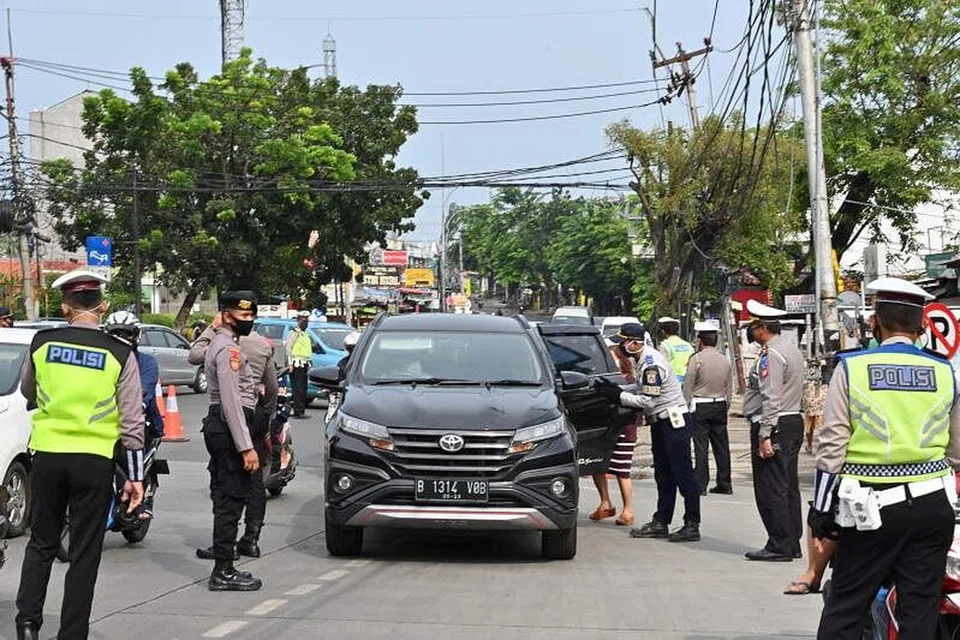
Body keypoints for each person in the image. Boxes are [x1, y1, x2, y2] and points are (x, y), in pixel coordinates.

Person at [811, 278, 960, 637]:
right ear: (922, 325)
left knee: (846, 606)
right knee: (919, 613)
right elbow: (956, 450)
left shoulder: (852, 367)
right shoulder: (945, 371)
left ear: (874, 322)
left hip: (870, 510)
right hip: (933, 507)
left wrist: (821, 511)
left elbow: (832, 446)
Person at [15, 269, 145, 640]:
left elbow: (29, 391)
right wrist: (135, 478)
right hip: (94, 460)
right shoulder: (120, 352)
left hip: (49, 455)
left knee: (41, 542)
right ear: (102, 307)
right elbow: (133, 422)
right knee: (85, 552)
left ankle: (27, 623)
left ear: (65, 307)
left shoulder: (42, 343)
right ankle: (71, 633)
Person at [594, 322, 701, 542]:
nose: (619, 348)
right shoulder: (643, 360)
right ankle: (661, 521)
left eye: (622, 343)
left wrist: (617, 396)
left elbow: (648, 401)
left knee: (683, 475)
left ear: (635, 344)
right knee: (664, 475)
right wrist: (617, 388)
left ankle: (692, 524)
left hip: (673, 423)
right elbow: (641, 388)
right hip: (662, 424)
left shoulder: (652, 363)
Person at [191, 307, 277, 560]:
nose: (249, 320)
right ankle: (248, 539)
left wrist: (211, 327)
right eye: (247, 316)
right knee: (252, 483)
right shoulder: (257, 345)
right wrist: (265, 419)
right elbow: (270, 387)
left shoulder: (216, 343)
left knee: (225, 485)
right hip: (248, 416)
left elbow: (194, 354)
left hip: (230, 419)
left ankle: (224, 551)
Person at [201, 291, 263, 591]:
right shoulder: (228, 350)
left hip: (223, 426)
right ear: (226, 315)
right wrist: (246, 445)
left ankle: (224, 565)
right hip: (228, 427)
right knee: (231, 498)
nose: (248, 321)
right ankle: (223, 569)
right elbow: (231, 400)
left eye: (252, 316)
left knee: (230, 495)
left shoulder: (224, 344)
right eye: (243, 316)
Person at [742, 299, 805, 562]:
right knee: (788, 485)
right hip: (792, 421)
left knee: (772, 487)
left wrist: (765, 434)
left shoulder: (772, 355)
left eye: (753, 326)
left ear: (761, 327)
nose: (751, 331)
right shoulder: (791, 349)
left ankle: (779, 544)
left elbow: (771, 397)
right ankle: (791, 541)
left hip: (776, 422)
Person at [103, 310, 165, 519]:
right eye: (116, 333)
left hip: (139, 421)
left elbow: (142, 397)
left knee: (126, 449)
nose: (122, 338)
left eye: (126, 333)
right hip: (104, 422)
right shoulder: (101, 360)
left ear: (136, 335)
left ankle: (139, 498)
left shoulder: (146, 363)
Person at [589, 343, 637, 527]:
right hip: (606, 429)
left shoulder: (628, 380)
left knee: (622, 471)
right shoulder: (604, 381)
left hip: (624, 429)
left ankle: (628, 510)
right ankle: (605, 502)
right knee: (597, 465)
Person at [683, 321, 733, 496]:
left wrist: (685, 405)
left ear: (700, 340)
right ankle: (725, 483)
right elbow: (729, 387)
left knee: (700, 446)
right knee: (721, 446)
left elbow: (688, 386)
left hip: (700, 405)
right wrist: (726, 405)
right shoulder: (724, 360)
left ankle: (701, 484)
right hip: (719, 403)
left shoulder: (696, 359)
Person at [285, 310, 312, 419]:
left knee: (303, 388)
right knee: (298, 388)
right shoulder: (294, 333)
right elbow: (288, 349)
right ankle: (298, 411)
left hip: (304, 364)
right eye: (303, 320)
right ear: (298, 320)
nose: (305, 322)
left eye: (306, 320)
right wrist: (290, 364)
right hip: (296, 364)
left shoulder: (305, 334)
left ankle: (301, 410)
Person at [658, 316, 695, 384]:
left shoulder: (665, 345)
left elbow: (662, 366)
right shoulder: (687, 345)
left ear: (663, 331)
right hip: (688, 381)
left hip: (672, 382)